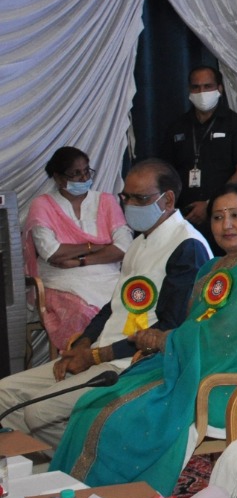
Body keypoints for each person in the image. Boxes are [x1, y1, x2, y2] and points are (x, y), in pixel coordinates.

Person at [51, 183, 237, 494]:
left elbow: (230, 336)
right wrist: (167, 342)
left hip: (223, 379)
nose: (226, 225)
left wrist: (164, 341)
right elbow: (199, 325)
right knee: (92, 403)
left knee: (119, 419)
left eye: (236, 215)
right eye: (217, 217)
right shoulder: (213, 266)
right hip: (188, 364)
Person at [1, 160, 211, 447]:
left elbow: (170, 327)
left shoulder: (187, 246)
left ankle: (103, 461)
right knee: (4, 393)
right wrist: (84, 343)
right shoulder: (140, 242)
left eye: (141, 198)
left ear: (168, 199)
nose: (130, 205)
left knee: (40, 413)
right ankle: (48, 468)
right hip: (103, 353)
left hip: (136, 363)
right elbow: (113, 305)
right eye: (126, 197)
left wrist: (96, 356)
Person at [22, 146, 131, 352]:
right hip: (61, 279)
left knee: (128, 306)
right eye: (76, 173)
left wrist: (80, 259)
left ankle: (118, 360)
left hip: (107, 275)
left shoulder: (106, 201)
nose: (84, 178)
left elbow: (123, 247)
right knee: (83, 313)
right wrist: (96, 246)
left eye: (87, 171)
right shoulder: (42, 205)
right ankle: (80, 361)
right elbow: (52, 252)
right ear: (58, 178)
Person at [161, 64, 237, 236]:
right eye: (196, 87)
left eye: (207, 86)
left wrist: (211, 204)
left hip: (224, 214)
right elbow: (166, 171)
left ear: (220, 88)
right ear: (189, 90)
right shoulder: (177, 126)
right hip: (184, 214)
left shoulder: (236, 123)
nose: (201, 92)